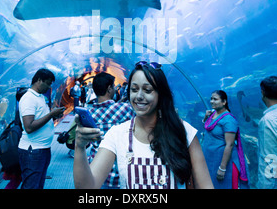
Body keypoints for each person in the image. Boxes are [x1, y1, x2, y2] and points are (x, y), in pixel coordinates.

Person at [73, 61, 213, 189]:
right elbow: (87, 188)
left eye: (147, 90)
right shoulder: (116, 134)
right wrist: (79, 147)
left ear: (161, 94)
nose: (139, 96)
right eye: (134, 89)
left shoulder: (184, 132)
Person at [18, 68, 65, 189]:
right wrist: (51, 114)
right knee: (31, 186)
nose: (49, 87)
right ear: (39, 80)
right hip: (33, 150)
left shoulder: (39, 97)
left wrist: (53, 117)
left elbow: (40, 119)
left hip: (42, 148)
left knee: (38, 185)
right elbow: (28, 127)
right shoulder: (29, 98)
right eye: (48, 83)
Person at [88, 72, 135, 188]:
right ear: (109, 89)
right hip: (121, 171)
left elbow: (85, 144)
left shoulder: (88, 113)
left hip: (97, 171)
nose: (114, 89)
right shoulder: (126, 109)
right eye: (113, 86)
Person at [201, 90, 249, 189]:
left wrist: (222, 168)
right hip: (212, 161)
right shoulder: (212, 114)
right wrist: (206, 118)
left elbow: (230, 145)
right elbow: (209, 130)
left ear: (224, 102)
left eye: (215, 99)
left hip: (223, 163)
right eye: (211, 99)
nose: (212, 101)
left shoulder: (229, 120)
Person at [1, 87, 27, 189]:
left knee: (18, 178)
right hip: (20, 149)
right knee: (17, 178)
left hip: (17, 149)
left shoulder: (19, 109)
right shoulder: (23, 110)